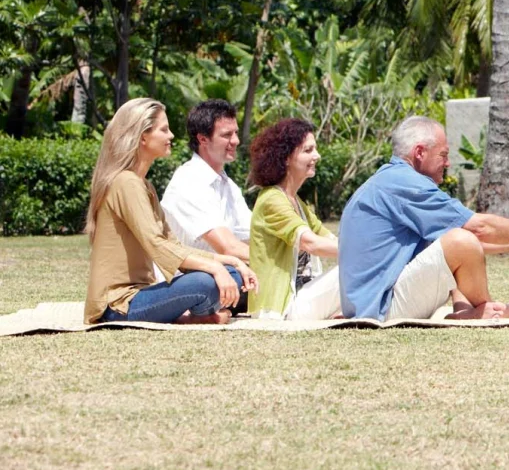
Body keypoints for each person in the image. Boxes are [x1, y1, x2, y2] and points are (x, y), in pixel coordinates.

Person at [337, 116, 509, 321]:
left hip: (369, 305)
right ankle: (488, 310)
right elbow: (477, 230)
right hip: (380, 309)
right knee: (461, 239)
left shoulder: (392, 178)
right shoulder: (405, 184)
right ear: (420, 152)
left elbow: (453, 247)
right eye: (443, 155)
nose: (448, 163)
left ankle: (468, 312)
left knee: (455, 237)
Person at [85, 99, 256, 325]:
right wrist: (215, 267)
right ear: (142, 136)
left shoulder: (143, 185)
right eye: (164, 130)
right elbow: (156, 245)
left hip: (145, 293)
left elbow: (173, 245)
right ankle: (199, 315)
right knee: (206, 282)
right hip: (119, 305)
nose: (171, 136)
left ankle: (199, 313)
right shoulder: (126, 183)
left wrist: (230, 262)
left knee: (231, 274)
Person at [247, 118, 341, 320]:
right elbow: (312, 243)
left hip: (301, 298)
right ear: (286, 158)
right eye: (308, 150)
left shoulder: (296, 201)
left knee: (357, 268)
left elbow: (330, 239)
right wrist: (363, 255)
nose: (317, 155)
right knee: (352, 271)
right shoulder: (272, 199)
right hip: (281, 309)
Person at [160, 100, 253, 269]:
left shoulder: (229, 185)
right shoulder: (188, 181)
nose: (236, 141)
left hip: (221, 277)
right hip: (187, 284)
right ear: (203, 139)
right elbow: (228, 248)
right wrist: (275, 261)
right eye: (227, 135)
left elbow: (252, 236)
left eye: (236, 133)